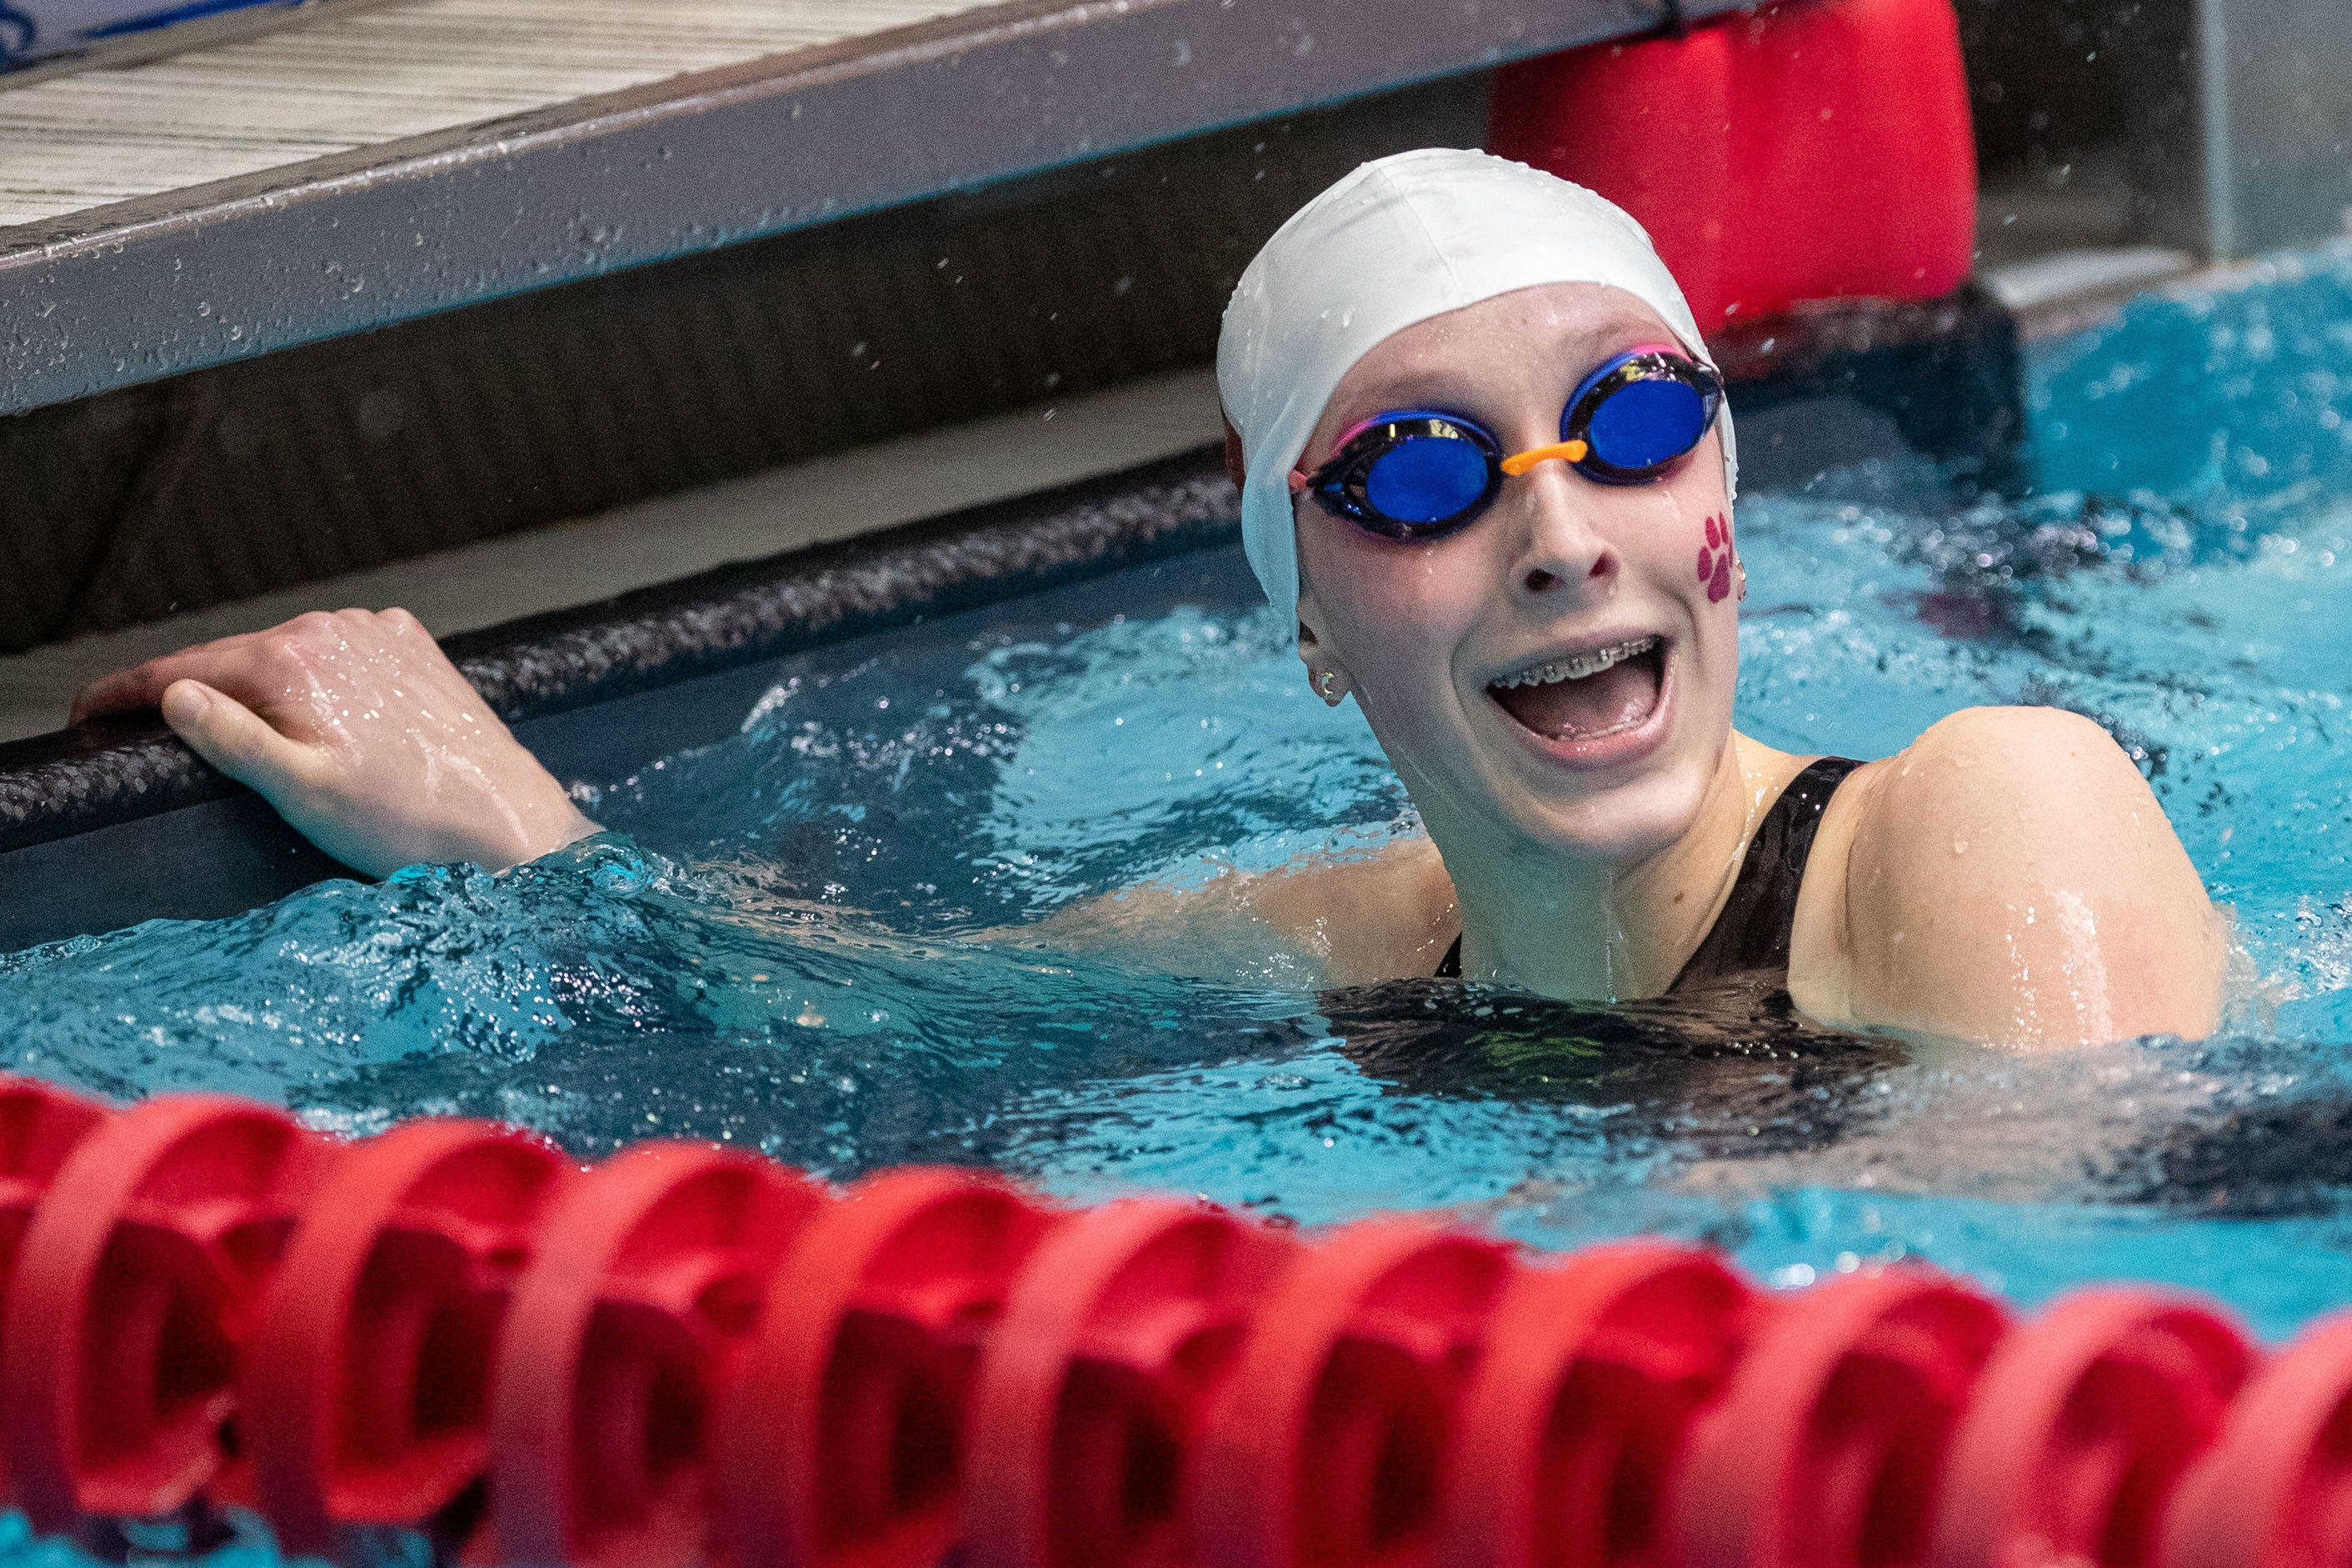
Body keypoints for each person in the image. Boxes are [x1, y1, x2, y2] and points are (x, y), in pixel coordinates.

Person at [72, 151, 2226, 1050]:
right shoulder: (1359, 946)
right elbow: (871, 995)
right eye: (1417, 469)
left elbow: (2063, 1386)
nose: (1564, 533)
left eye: (1634, 422)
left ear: (1723, 509)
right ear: (1305, 616)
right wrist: (515, 833)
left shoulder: (1993, 811)